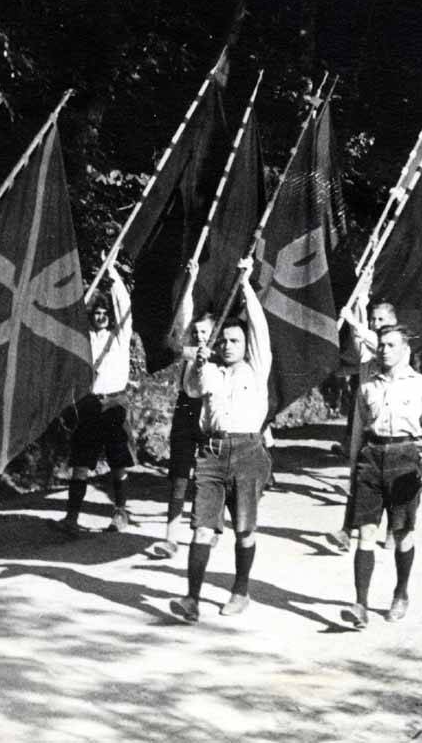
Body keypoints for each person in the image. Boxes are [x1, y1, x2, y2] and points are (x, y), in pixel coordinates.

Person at [169, 257, 272, 622]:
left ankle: (240, 590)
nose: (228, 345)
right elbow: (192, 389)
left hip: (247, 453)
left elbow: (259, 328)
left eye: (235, 340)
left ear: (245, 344)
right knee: (201, 528)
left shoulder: (256, 368)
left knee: (244, 529)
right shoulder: (209, 371)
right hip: (211, 454)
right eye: (223, 340)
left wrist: (245, 284)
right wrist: (198, 363)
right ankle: (192, 600)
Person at [342, 323, 422, 629]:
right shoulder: (368, 385)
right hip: (371, 457)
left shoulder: (421, 385)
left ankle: (400, 593)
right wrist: (353, 469)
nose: (384, 350)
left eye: (391, 345)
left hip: (404, 458)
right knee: (366, 532)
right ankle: (360, 604)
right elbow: (358, 429)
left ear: (405, 350)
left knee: (402, 532)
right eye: (381, 345)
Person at [59, 261, 134, 536]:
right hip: (90, 404)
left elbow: (124, 306)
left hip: (114, 404)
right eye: (97, 312)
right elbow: (71, 321)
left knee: (118, 462)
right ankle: (72, 518)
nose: (101, 316)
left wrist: (112, 273)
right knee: (81, 463)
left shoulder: (119, 337)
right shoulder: (85, 338)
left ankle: (120, 512)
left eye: (105, 313)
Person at [327, 300, 399, 553]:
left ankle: (393, 528)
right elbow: (361, 343)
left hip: (390, 423)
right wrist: (361, 305)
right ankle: (346, 531)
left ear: (393, 322)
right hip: (365, 417)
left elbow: (371, 340)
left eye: (381, 320)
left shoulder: (397, 348)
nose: (376, 324)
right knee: (357, 471)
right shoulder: (369, 349)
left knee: (390, 481)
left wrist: (353, 321)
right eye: (373, 319)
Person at [151, 267, 213, 559]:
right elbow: (183, 319)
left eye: (205, 333)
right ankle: (170, 537)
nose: (199, 336)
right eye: (197, 333)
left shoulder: (220, 358)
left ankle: (208, 528)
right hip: (186, 409)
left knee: (207, 476)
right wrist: (190, 282)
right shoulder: (189, 348)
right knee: (179, 475)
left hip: (210, 414)